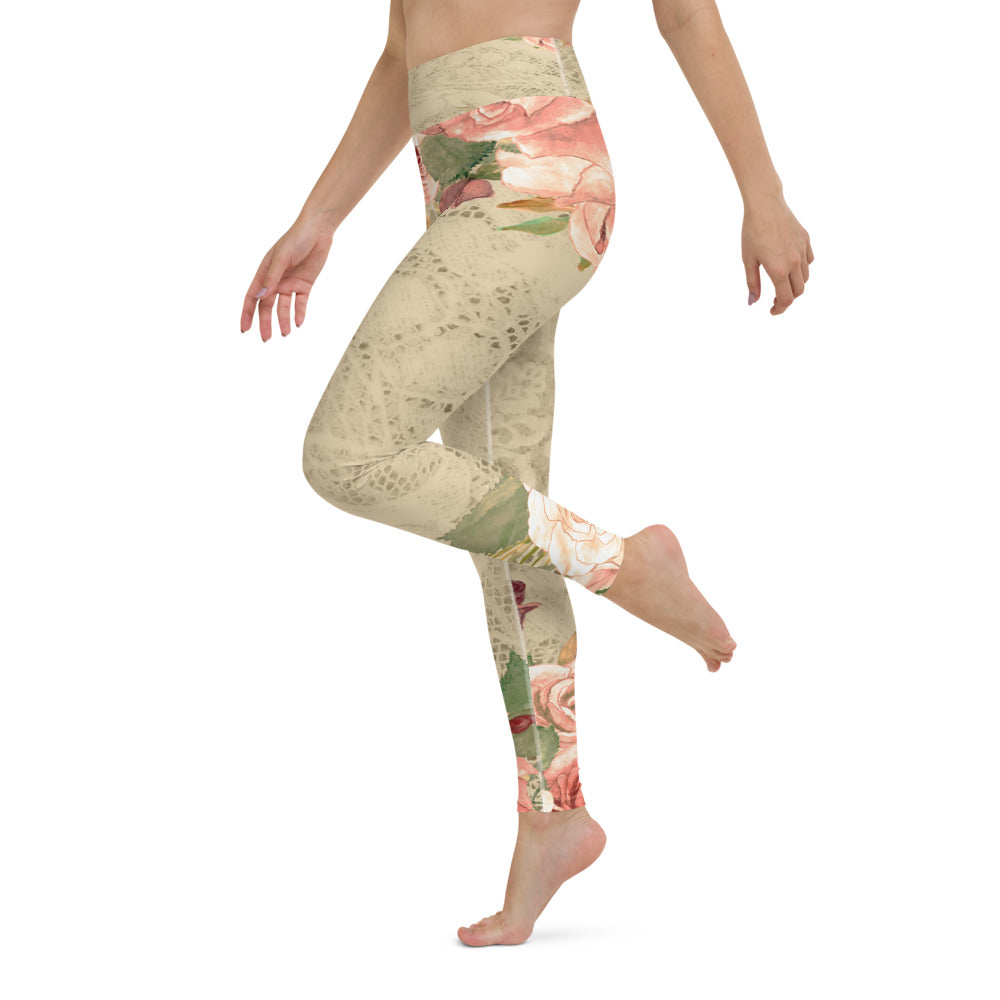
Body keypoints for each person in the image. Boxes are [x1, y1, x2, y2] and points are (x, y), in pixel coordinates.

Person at [238, 0, 813, 947]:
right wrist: (321, 216)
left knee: (348, 454)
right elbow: (401, 49)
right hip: (455, 179)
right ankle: (555, 810)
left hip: (535, 173)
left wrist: (764, 194)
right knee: (500, 516)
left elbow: (685, 14)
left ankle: (626, 564)